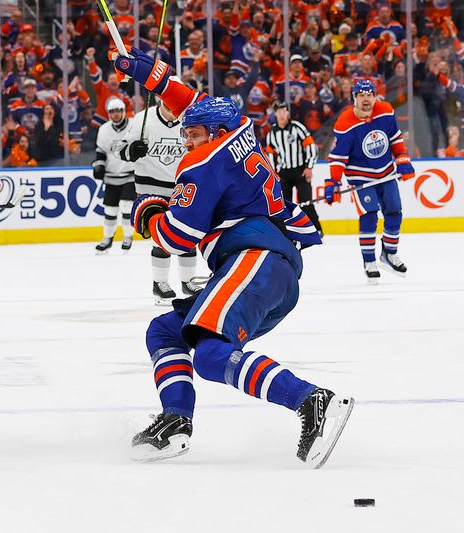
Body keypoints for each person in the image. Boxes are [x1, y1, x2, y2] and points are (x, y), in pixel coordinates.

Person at [113, 47, 354, 467]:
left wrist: (146, 211)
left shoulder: (202, 162)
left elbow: (177, 236)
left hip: (253, 259)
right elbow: (193, 105)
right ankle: (175, 421)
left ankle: (311, 401)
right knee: (166, 332)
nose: (187, 140)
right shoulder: (241, 128)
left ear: (215, 132)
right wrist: (151, 76)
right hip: (265, 267)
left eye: (194, 134)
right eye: (186, 135)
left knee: (209, 355)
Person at [325, 79, 415, 283]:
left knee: (394, 212)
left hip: (386, 173)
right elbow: (338, 157)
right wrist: (333, 182)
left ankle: (389, 253)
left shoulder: (385, 111)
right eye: (361, 95)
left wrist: (402, 159)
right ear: (354, 98)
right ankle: (369, 261)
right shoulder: (345, 123)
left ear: (375, 96)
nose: (366, 99)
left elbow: (395, 139)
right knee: (369, 215)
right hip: (360, 177)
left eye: (369, 94)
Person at [117, 100, 196, 304]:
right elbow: (122, 150)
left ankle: (189, 281)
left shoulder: (190, 119)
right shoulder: (143, 118)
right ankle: (159, 283)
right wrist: (132, 150)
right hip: (150, 189)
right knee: (161, 237)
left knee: (187, 234)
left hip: (182, 186)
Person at [265, 102, 321, 234]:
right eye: (279, 111)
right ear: (275, 114)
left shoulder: (297, 127)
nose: (282, 114)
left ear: (288, 113)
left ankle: (316, 229)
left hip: (300, 170)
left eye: (284, 111)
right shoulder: (272, 133)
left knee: (306, 202)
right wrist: (275, 173)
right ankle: (288, 231)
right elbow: (270, 155)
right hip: (284, 173)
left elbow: (311, 146)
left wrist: (309, 167)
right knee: (285, 205)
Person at [92, 97, 135, 254]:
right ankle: (107, 238)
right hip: (111, 175)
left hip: (130, 174)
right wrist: (99, 165)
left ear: (123, 111)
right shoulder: (104, 129)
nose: (116, 114)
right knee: (110, 209)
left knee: (126, 206)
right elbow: (101, 151)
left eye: (118, 111)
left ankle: (127, 237)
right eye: (112, 112)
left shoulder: (133, 126)